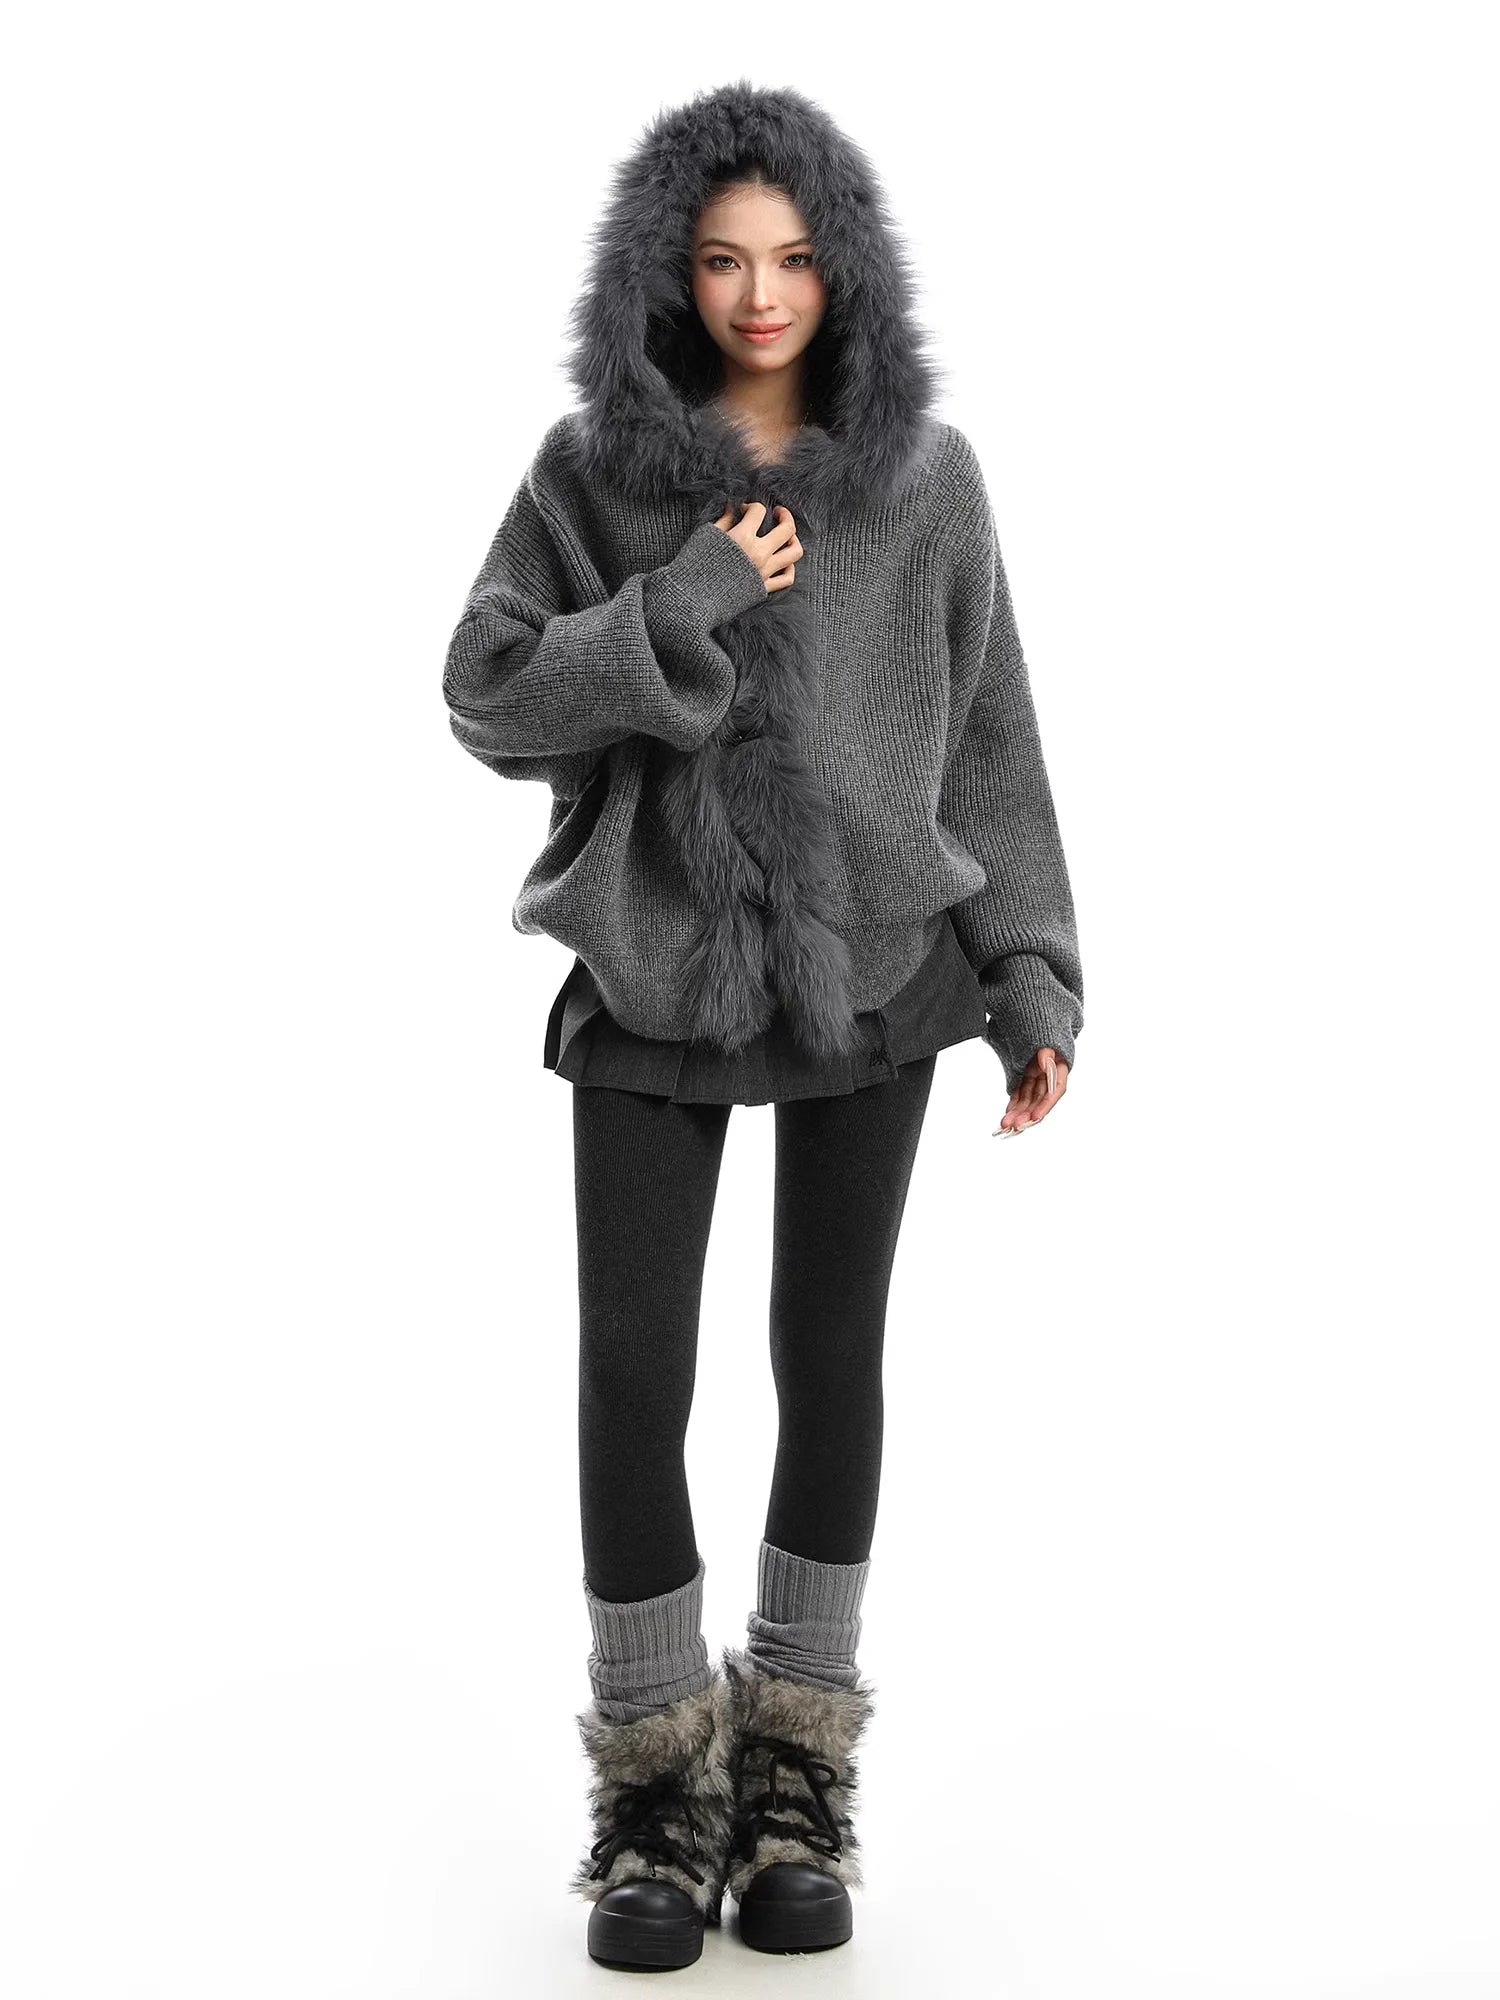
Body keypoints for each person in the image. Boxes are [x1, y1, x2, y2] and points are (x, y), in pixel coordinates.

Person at [440, 79, 1085, 1971]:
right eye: (720, 260)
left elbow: (992, 730)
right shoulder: (591, 473)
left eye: (793, 258)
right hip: (655, 964)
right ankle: (658, 1789)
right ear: (666, 271)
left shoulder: (929, 480)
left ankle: (796, 1768)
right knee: (633, 1373)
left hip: (879, 968)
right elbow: (484, 696)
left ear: (844, 267)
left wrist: (1032, 974)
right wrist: (686, 598)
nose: (759, 294)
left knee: (830, 1353)